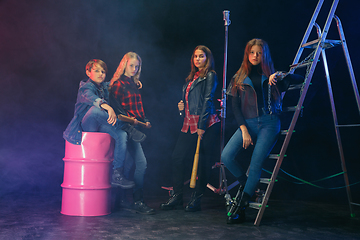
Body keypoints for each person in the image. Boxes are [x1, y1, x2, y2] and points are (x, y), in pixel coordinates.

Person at [221, 38, 303, 224]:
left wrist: (280, 75)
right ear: (247, 54)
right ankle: (247, 185)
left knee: (255, 164)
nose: (255, 56)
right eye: (252, 52)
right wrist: (244, 130)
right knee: (226, 156)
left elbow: (300, 78)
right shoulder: (238, 78)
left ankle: (239, 209)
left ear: (264, 54)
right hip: (248, 123)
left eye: (259, 53)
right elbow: (235, 108)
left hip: (269, 122)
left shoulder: (271, 75)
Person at [160, 45, 220, 212]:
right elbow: (189, 103)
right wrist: (181, 109)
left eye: (201, 56)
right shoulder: (191, 78)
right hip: (188, 122)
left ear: (207, 58)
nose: (198, 59)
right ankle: (177, 197)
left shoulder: (210, 75)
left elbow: (208, 100)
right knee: (177, 157)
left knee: (203, 163)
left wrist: (202, 126)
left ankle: (196, 200)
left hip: (206, 123)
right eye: (195, 56)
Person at [63, 59, 139, 190]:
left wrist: (132, 82)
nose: (100, 74)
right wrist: (108, 108)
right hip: (85, 126)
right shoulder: (85, 87)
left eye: (103, 71)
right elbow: (92, 98)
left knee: (121, 135)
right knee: (95, 110)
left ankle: (117, 174)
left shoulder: (104, 86)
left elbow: (116, 83)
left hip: (100, 125)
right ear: (88, 72)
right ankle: (125, 125)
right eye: (96, 71)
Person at [108, 52, 155, 215]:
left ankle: (120, 201)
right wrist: (131, 120)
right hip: (126, 129)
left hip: (137, 127)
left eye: (137, 66)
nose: (134, 69)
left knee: (128, 166)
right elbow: (117, 110)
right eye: (131, 65)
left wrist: (145, 119)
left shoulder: (135, 84)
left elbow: (138, 108)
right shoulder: (117, 84)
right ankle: (138, 201)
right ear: (124, 65)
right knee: (141, 164)